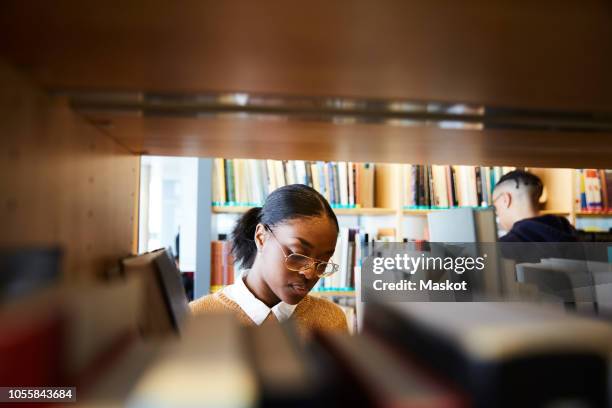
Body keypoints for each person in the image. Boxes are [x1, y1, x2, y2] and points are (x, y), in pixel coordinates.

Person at [190, 184, 348, 336]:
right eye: (298, 254)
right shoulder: (196, 318)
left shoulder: (331, 322)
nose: (310, 274)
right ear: (261, 237)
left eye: (323, 262)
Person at [492, 170, 577, 242]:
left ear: (505, 199)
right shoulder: (573, 234)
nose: (497, 212)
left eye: (495, 206)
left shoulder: (505, 248)